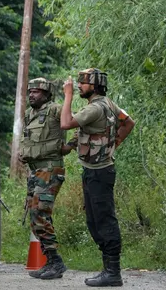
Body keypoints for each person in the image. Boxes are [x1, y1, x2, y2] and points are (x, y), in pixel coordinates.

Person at [60, 68, 135, 287]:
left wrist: (67, 96)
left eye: (83, 83)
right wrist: (113, 144)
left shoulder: (95, 108)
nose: (79, 86)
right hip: (96, 171)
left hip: (99, 172)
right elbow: (129, 122)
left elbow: (66, 123)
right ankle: (108, 270)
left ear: (95, 86)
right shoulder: (109, 104)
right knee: (94, 221)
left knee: (104, 220)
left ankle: (113, 272)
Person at [19, 78, 75, 280]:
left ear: (46, 94)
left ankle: (56, 262)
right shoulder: (29, 114)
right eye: (30, 91)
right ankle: (50, 261)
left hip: (50, 169)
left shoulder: (56, 110)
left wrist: (69, 146)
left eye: (36, 92)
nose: (32, 95)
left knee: (40, 213)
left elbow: (78, 125)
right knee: (35, 218)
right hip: (35, 171)